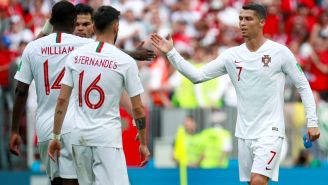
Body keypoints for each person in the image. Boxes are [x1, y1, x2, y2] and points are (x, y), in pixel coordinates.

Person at [150, 3, 320, 185]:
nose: (242, 23)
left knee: (257, 181)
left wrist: (312, 122)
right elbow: (197, 76)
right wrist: (172, 53)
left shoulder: (280, 52)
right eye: (240, 19)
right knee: (252, 182)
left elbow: (303, 85)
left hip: (271, 131)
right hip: (244, 133)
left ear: (262, 22)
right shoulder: (231, 56)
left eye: (248, 19)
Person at [48, 5, 150, 185]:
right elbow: (138, 108)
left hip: (79, 137)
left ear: (94, 28)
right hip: (107, 139)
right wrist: (143, 142)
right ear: (116, 27)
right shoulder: (124, 61)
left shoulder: (75, 56)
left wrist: (56, 136)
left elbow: (62, 99)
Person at [9, 1, 94, 185]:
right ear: (73, 23)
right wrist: (136, 53)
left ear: (51, 21)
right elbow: (112, 53)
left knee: (56, 180)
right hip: (74, 123)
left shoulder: (33, 47)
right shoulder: (84, 44)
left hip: (45, 127)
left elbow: (20, 91)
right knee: (77, 181)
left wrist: (14, 130)